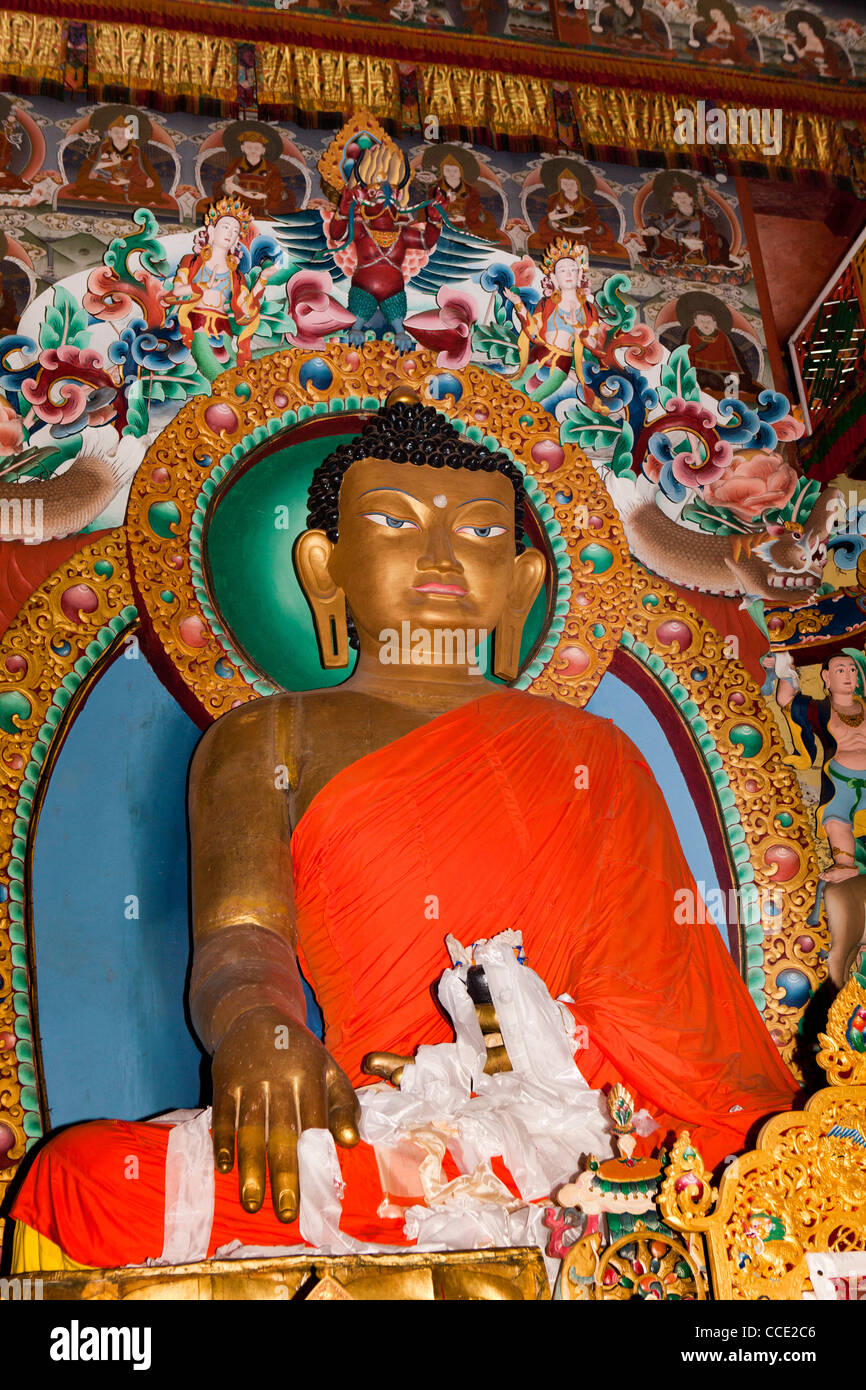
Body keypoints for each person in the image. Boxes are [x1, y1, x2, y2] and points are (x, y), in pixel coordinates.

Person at [10, 398, 797, 1272]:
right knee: (81, 1181)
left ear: (525, 582)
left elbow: (674, 1004)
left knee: (783, 1177)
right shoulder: (267, 738)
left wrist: (533, 1055)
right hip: (381, 1129)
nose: (439, 556)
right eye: (391, 521)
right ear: (324, 568)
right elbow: (241, 939)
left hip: (592, 1125)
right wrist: (256, 1030)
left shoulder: (597, 754)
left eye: (480, 533)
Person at [772, 650, 866, 884]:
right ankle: (846, 864)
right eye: (840, 670)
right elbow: (787, 701)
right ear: (826, 677)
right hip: (840, 780)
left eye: (852, 670)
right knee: (835, 820)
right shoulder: (821, 710)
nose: (848, 675)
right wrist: (786, 665)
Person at [167, 197, 275, 366]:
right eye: (225, 227)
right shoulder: (192, 262)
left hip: (222, 329)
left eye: (235, 231)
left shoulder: (236, 276)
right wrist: (201, 287)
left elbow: (246, 308)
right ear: (211, 230)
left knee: (230, 370)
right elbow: (176, 292)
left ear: (237, 240)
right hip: (194, 322)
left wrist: (263, 278)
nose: (230, 234)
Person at [528, 166, 629, 262]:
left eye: (572, 184)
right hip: (561, 227)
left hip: (583, 230)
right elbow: (551, 216)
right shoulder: (555, 199)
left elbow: (592, 220)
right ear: (561, 185)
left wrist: (582, 229)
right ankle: (572, 242)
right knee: (547, 225)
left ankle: (582, 243)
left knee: (603, 231)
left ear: (577, 186)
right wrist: (567, 214)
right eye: (565, 184)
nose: (568, 187)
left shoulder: (588, 202)